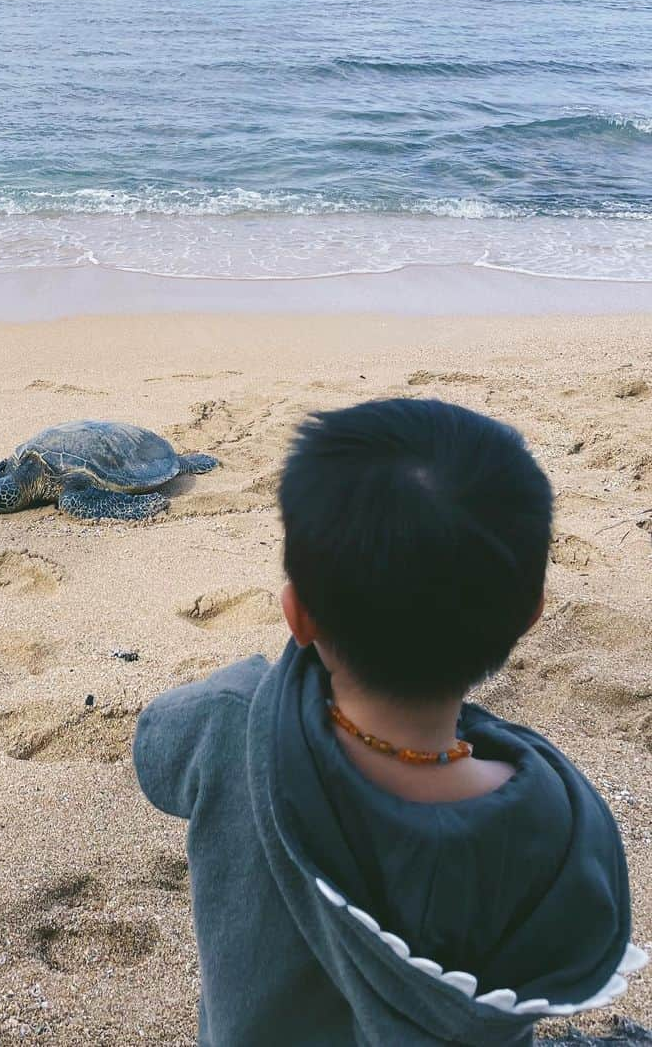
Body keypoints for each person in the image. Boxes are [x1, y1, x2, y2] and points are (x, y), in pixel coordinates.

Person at [134, 398, 645, 1046]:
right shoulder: (555, 817)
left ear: (296, 614)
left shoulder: (231, 722)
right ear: (530, 614)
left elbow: (154, 754)